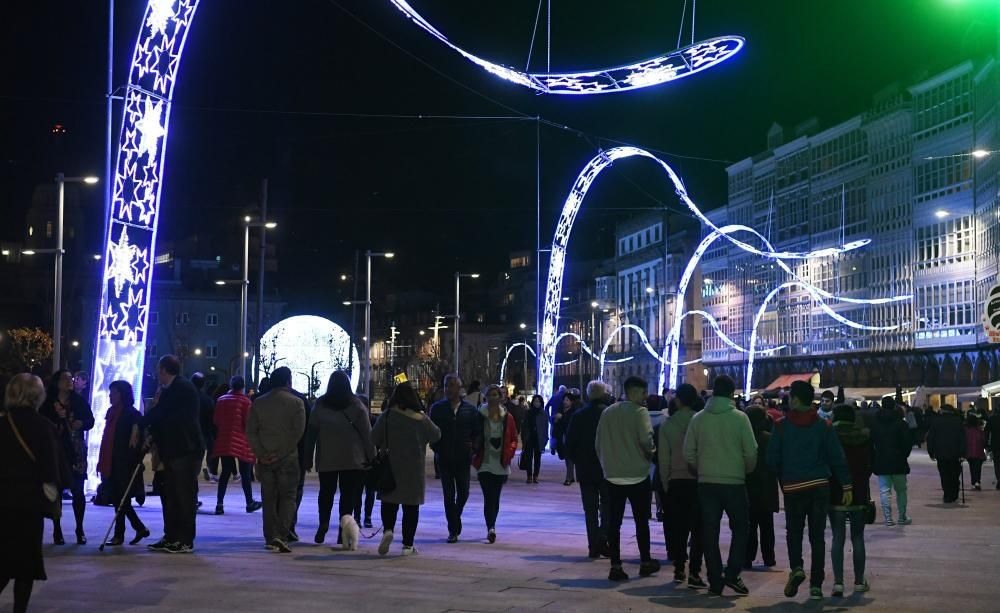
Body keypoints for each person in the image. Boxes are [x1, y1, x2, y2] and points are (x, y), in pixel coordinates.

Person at [767, 380, 852, 602]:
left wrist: (782, 474)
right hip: (819, 487)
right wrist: (846, 484)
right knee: (817, 537)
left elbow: (771, 459)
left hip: (794, 487)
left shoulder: (781, 426)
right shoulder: (823, 426)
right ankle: (816, 586)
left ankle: (797, 567)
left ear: (795, 398)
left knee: (794, 532)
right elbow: (837, 457)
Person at [684, 375, 757, 596]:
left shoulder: (698, 419)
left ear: (713, 391)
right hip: (734, 482)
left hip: (707, 483)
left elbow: (688, 452)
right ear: (732, 393)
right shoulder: (740, 418)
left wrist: (702, 468)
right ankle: (733, 573)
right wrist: (744, 469)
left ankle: (715, 580)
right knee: (741, 528)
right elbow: (751, 452)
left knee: (710, 532)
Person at [1, 374, 60, 613]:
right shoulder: (44, 426)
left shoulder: (2, 424)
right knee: (25, 565)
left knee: (2, 560)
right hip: (28, 504)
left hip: (1, 501)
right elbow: (50, 469)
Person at [596, 376, 659, 582]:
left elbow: (598, 443)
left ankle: (615, 565)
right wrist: (650, 453)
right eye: (643, 393)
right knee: (642, 522)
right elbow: (645, 440)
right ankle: (645, 561)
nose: (645, 397)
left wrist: (607, 464)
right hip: (637, 475)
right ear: (636, 392)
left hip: (612, 476)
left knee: (614, 523)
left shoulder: (608, 412)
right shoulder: (640, 412)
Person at [142, 355, 205, 554]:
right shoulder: (172, 388)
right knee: (171, 496)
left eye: (158, 369)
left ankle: (184, 539)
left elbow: (162, 413)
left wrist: (139, 422)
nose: (156, 373)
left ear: (164, 370)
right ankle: (171, 536)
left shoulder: (181, 388)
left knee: (183, 496)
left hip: (184, 450)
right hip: (173, 450)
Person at [305, 370, 374, 545]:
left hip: (327, 457)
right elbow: (367, 435)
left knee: (326, 493)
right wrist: (372, 457)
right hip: (351, 458)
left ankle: (323, 523)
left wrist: (307, 457)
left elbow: (311, 432)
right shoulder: (357, 405)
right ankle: (343, 531)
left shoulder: (320, 405)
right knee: (347, 495)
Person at [374, 382, 442, 556]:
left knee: (389, 502)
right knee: (411, 508)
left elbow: (373, 437)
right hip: (414, 468)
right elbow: (436, 435)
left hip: (390, 467)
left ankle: (388, 530)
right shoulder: (421, 419)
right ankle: (407, 545)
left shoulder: (387, 415)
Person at [247, 366, 306, 553]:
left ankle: (270, 536)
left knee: (269, 498)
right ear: (288, 381)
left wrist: (261, 453)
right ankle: (282, 535)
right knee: (288, 497)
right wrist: (280, 453)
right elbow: (297, 433)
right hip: (287, 458)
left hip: (264, 460)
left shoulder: (258, 402)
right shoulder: (297, 403)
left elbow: (251, 431)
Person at [659, 384, 707, 588]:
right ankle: (695, 572)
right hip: (699, 480)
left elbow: (663, 459)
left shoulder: (668, 425)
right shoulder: (702, 421)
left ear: (677, 400)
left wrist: (665, 484)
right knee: (698, 529)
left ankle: (679, 568)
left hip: (676, 482)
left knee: (678, 528)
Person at [39, 369, 94, 545]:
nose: (70, 381)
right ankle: (57, 529)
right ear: (57, 382)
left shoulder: (78, 401)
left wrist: (82, 423)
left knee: (78, 490)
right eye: (65, 378)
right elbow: (41, 421)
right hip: (55, 450)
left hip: (75, 450)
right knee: (57, 490)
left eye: (71, 378)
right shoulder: (48, 403)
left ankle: (80, 528)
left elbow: (90, 421)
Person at [828, 404, 873, 597]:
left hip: (835, 491)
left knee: (837, 537)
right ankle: (859, 581)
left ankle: (838, 582)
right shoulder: (864, 437)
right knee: (857, 537)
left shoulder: (829, 436)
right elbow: (871, 464)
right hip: (859, 491)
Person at [98, 380, 150, 547]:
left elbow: (135, 441)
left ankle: (121, 534)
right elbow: (106, 439)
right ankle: (137, 528)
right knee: (119, 500)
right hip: (111, 461)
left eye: (114, 392)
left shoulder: (131, 415)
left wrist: (134, 459)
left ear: (122, 394)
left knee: (120, 499)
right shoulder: (111, 413)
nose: (110, 395)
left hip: (124, 464)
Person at [429, 374, 477, 543]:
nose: (448, 389)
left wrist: (472, 448)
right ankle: (453, 530)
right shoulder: (437, 409)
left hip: (463, 459)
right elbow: (431, 432)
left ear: (459, 388)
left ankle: (455, 517)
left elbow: (476, 432)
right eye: (446, 385)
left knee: (464, 493)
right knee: (448, 495)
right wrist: (437, 448)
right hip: (445, 459)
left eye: (451, 385)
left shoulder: (470, 410)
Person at [566, 380, 612, 558]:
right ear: (604, 394)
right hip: (606, 467)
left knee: (590, 509)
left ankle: (593, 544)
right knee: (608, 506)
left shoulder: (579, 415)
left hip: (585, 468)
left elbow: (569, 442)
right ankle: (602, 537)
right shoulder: (609, 414)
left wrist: (577, 460)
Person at [472, 385, 519, 543]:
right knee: (488, 497)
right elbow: (473, 435)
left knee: (495, 497)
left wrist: (510, 453)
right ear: (485, 397)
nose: (493, 398)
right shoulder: (479, 415)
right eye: (490, 395)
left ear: (501, 397)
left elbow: (513, 438)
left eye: (496, 395)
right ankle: (490, 527)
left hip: (501, 462)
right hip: (484, 462)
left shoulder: (507, 417)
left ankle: (492, 525)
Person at [212, 376, 261, 516]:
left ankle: (219, 504)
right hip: (241, 441)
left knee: (225, 473)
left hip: (224, 440)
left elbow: (216, 420)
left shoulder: (221, 400)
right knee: (245, 473)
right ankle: (249, 502)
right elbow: (248, 423)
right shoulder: (246, 401)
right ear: (242, 387)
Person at [745, 406, 778, 570]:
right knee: (767, 525)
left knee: (749, 524)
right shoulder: (769, 438)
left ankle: (747, 556)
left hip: (748, 484)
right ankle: (768, 557)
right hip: (766, 486)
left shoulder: (745, 437)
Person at [871, 396, 912, 526]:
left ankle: (888, 518)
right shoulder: (901, 423)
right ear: (894, 406)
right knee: (901, 490)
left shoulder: (875, 423)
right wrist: (904, 455)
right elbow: (907, 443)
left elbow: (872, 442)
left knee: (884, 490)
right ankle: (902, 517)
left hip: (882, 460)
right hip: (898, 460)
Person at [926, 404, 966, 503]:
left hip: (941, 453)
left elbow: (930, 438)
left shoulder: (936, 422)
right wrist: (963, 453)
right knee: (954, 473)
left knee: (944, 474)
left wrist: (931, 452)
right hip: (955, 453)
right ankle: (954, 492)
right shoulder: (958, 421)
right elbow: (963, 439)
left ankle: (947, 494)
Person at [192, 373, 218, 484]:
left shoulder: (185, 397)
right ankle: (207, 467)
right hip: (203, 434)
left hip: (186, 433)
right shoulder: (207, 400)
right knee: (199, 458)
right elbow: (212, 420)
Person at [554, 390, 580, 486]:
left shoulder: (574, 412)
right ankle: (571, 477)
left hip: (571, 438)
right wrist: (556, 419)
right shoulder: (560, 410)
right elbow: (556, 424)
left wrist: (561, 418)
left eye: (567, 400)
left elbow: (571, 424)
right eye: (564, 400)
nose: (565, 402)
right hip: (562, 438)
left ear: (571, 402)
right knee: (566, 458)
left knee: (569, 458)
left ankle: (568, 478)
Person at [520, 395, 547, 483]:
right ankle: (529, 476)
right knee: (528, 457)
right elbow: (524, 426)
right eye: (535, 401)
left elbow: (545, 428)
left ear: (541, 403)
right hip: (529, 437)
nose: (537, 403)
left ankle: (535, 476)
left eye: (539, 401)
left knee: (537, 458)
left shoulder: (543, 413)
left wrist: (545, 439)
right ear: (532, 402)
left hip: (539, 438)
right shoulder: (528, 412)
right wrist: (524, 438)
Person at [964, 414, 986, 491]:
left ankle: (973, 482)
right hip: (979, 452)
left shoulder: (966, 430)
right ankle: (977, 481)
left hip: (969, 452)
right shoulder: (979, 430)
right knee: (978, 468)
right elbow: (983, 440)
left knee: (972, 467)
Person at [985, 408, 1000, 489]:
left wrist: (987, 445)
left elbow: (986, 431)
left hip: (996, 445)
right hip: (996, 445)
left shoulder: (992, 419)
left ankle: (999, 479)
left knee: (997, 463)